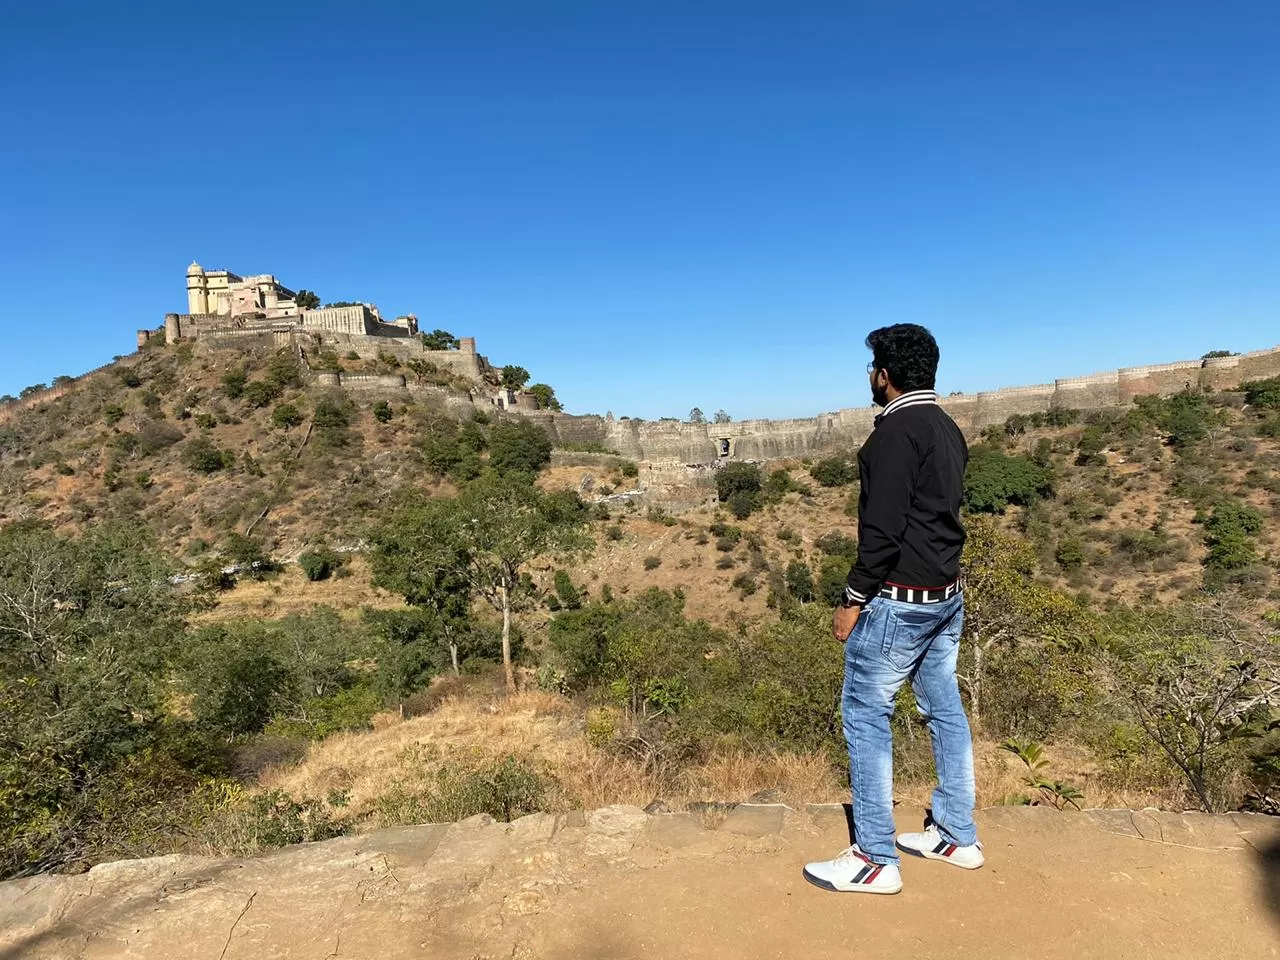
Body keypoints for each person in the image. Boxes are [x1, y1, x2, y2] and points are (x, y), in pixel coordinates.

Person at [803, 323, 982, 895]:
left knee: (865, 716)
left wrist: (852, 600)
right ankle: (957, 835)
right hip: (945, 597)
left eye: (872, 368)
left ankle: (875, 857)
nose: (870, 378)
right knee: (943, 710)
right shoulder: (947, 428)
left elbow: (880, 533)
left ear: (884, 374)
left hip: (898, 603)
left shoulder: (893, 433)